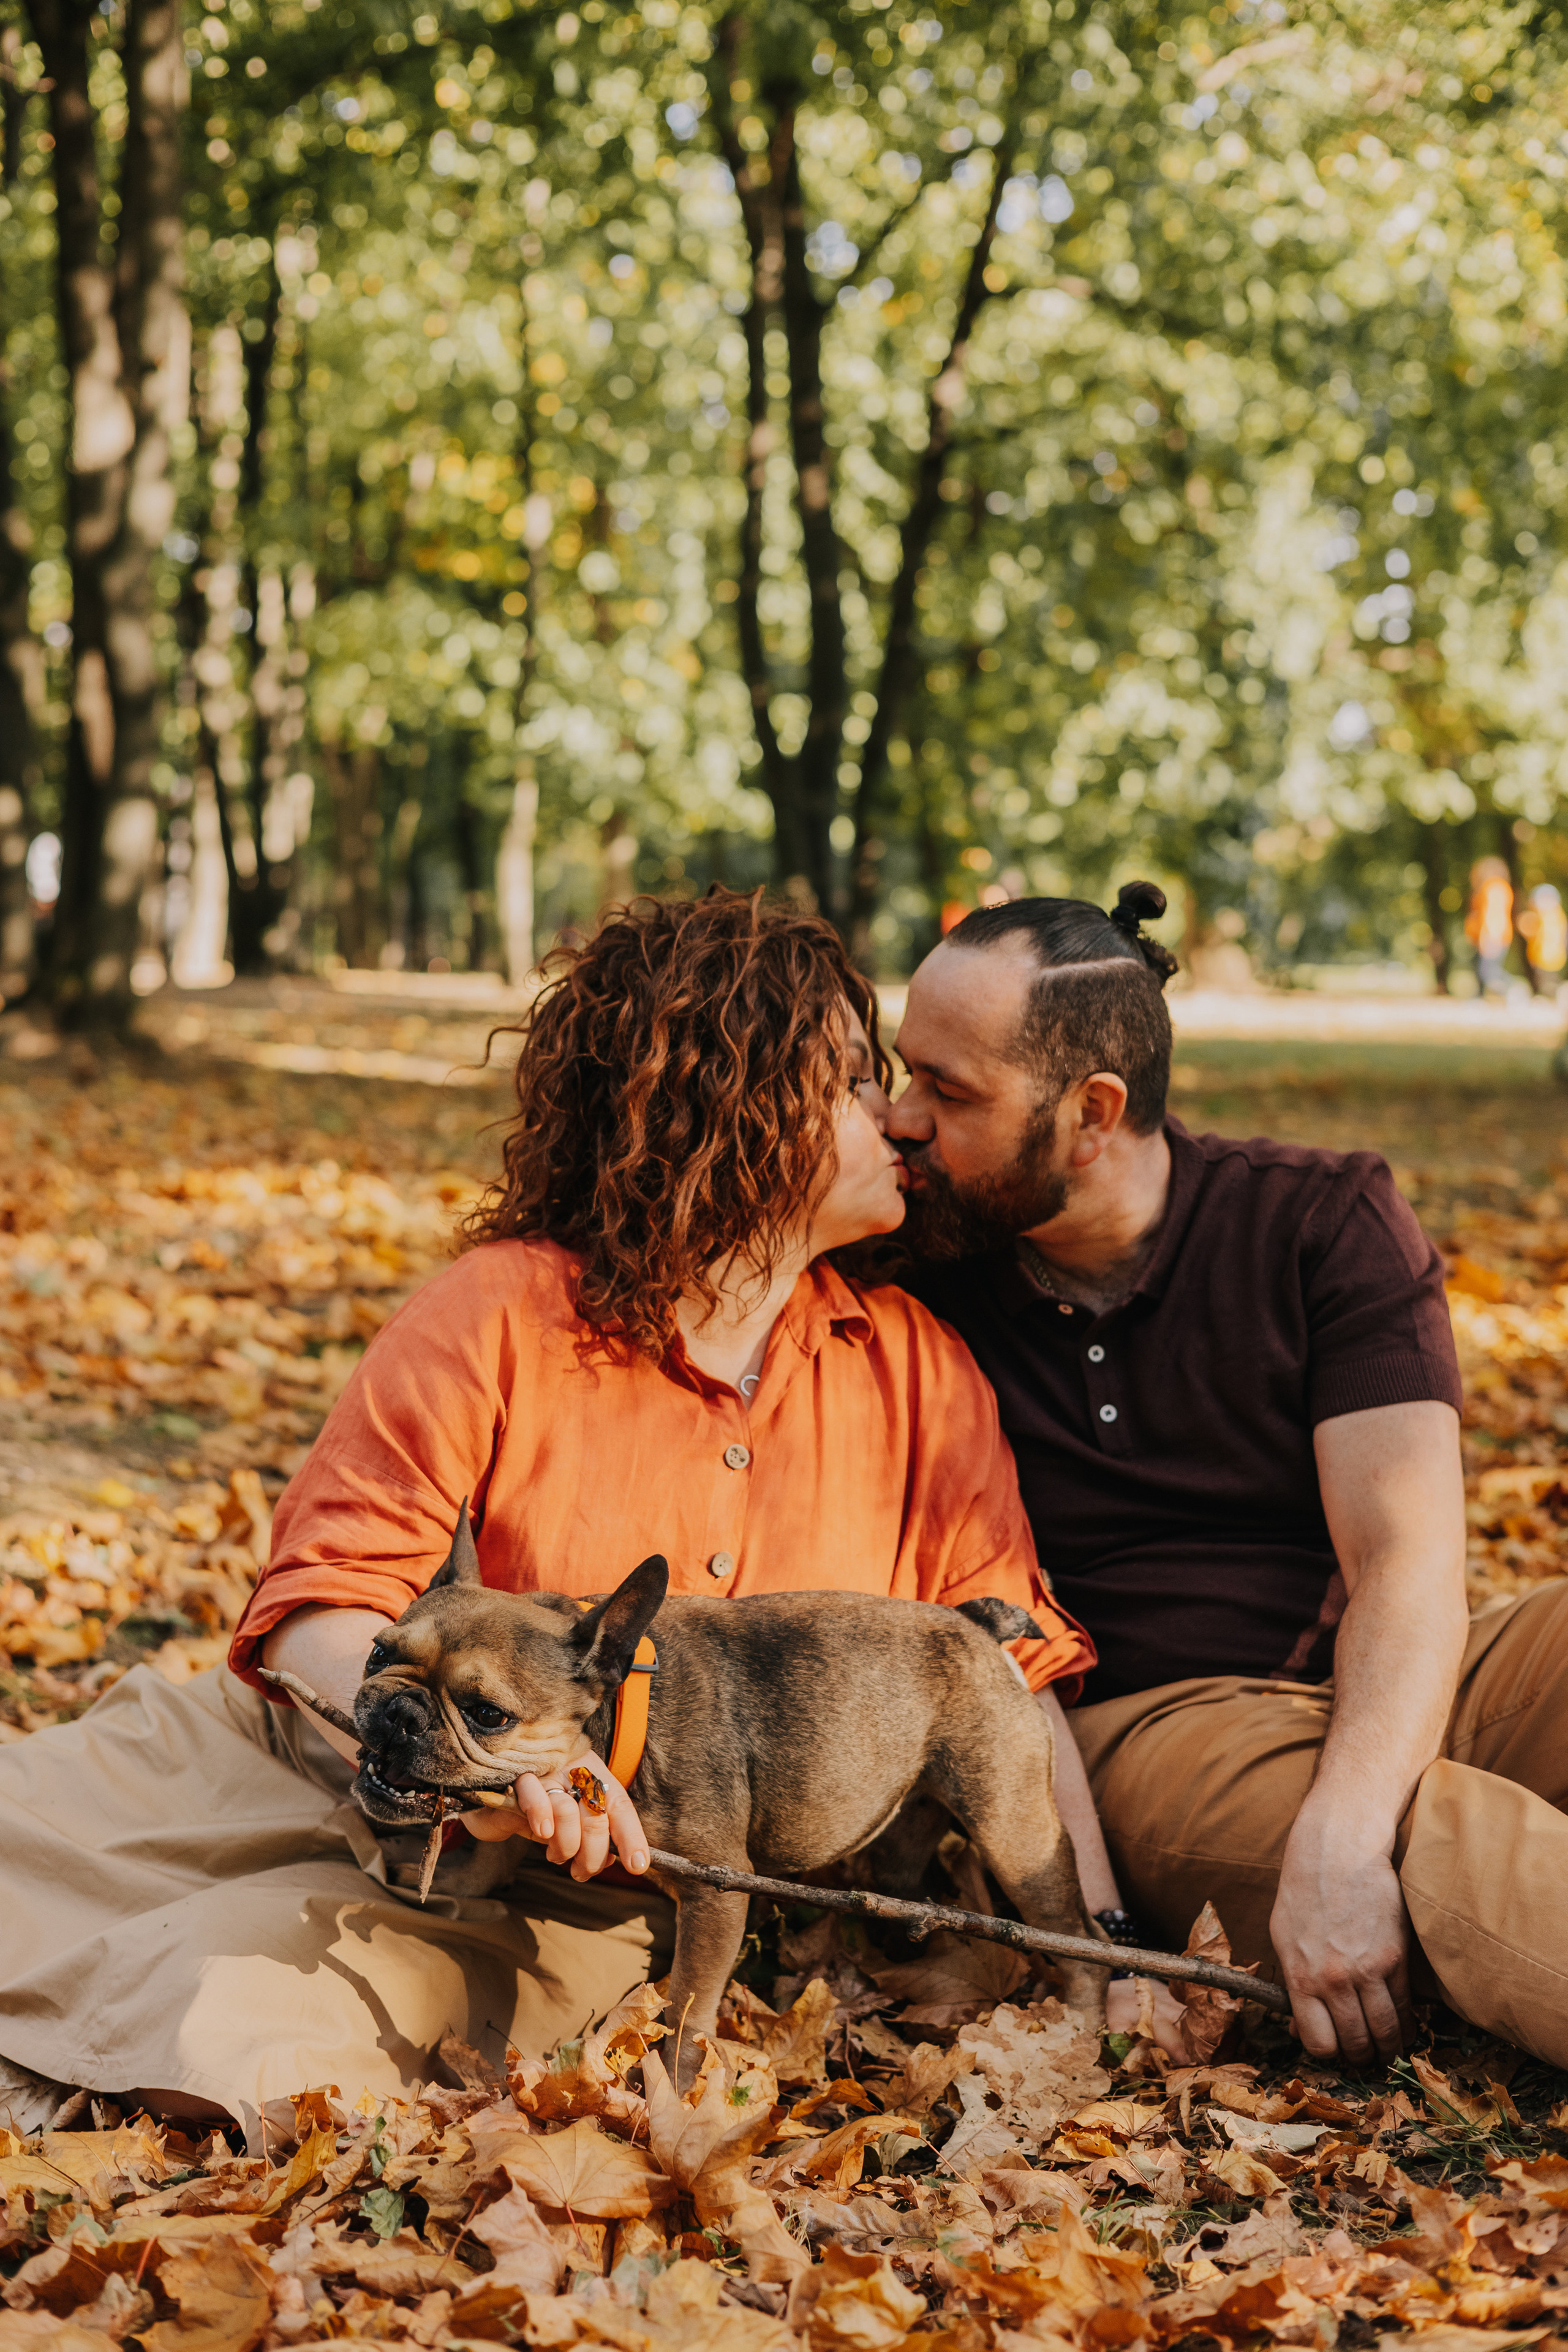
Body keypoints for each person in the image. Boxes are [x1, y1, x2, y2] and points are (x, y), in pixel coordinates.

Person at [0, 889, 1102, 2147]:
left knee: (225, 2017)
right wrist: (427, 1738)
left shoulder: (916, 1375)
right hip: (303, 1753)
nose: (897, 1116)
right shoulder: (501, 1314)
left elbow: (1018, 1691)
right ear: (739, 1114)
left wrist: (1107, 1951)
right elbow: (323, 1602)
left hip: (575, 1896)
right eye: (855, 1084)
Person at [886, 879, 1568, 2071]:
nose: (898, 1118)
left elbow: (1404, 1564)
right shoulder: (911, 1268)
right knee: (1443, 1847)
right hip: (1151, 1725)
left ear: (1089, 1113)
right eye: (904, 1074)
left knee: (1388, 1811)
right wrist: (1359, 1839)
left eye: (946, 1091)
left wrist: (1341, 1826)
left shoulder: (1314, 1222)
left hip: (1392, 1673)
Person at [1466, 855, 1514, 997]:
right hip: (1490, 935)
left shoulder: (1494, 886)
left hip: (1493, 936)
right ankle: (1478, 999)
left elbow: (1494, 913)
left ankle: (1513, 990)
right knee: (1482, 969)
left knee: (1488, 971)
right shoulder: (1493, 887)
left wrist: (1489, 938)